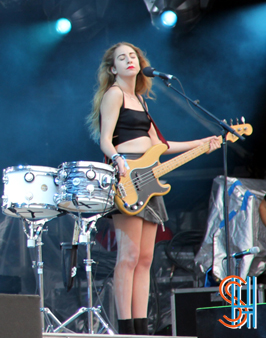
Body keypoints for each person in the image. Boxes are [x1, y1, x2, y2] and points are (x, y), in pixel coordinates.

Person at [87, 42, 220, 335]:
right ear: (113, 68)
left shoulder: (141, 100)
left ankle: (141, 326)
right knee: (129, 256)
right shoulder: (114, 94)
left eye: (132, 55)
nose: (129, 60)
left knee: (146, 258)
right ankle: (126, 328)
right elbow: (105, 139)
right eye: (121, 58)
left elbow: (161, 145)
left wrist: (201, 144)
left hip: (150, 175)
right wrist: (119, 159)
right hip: (127, 174)